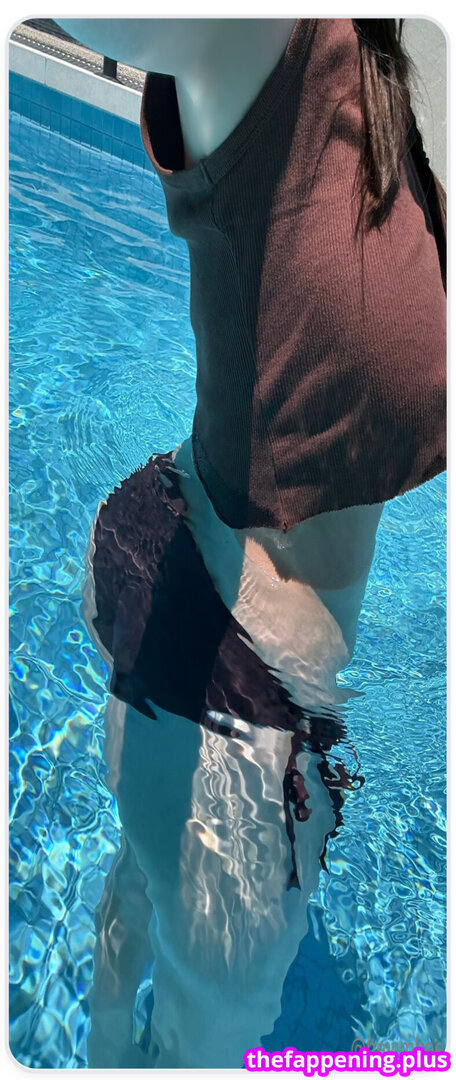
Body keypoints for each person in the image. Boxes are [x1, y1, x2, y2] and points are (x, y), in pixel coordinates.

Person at [55, 16, 446, 1068]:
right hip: (234, 681)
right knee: (206, 1038)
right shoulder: (256, 38)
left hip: (217, 629)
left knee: (152, 894)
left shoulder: (369, 76)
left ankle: (101, 1031)